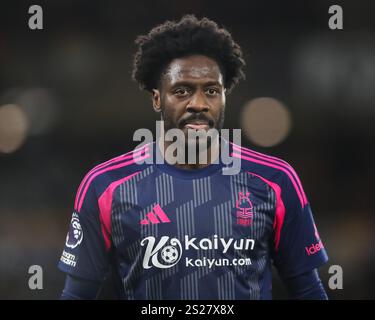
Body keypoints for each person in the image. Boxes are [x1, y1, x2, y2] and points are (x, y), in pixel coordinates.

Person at [59, 14, 328, 300]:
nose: (198, 104)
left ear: (224, 96)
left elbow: (308, 290)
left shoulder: (275, 180)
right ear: (157, 98)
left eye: (211, 91)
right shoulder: (106, 185)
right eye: (182, 91)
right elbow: (77, 295)